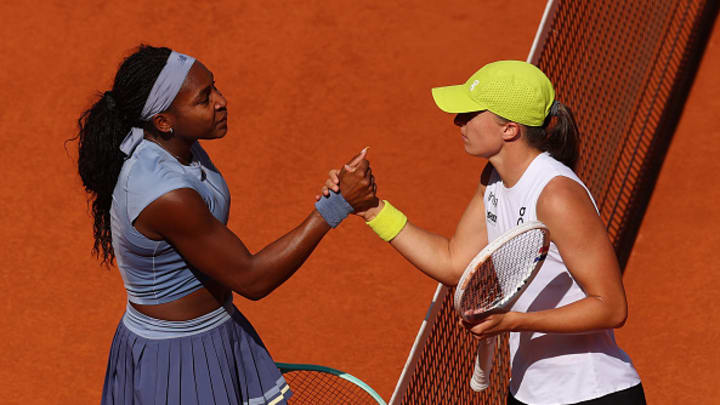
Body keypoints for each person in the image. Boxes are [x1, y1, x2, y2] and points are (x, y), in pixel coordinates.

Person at [322, 60, 646, 404]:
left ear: (509, 129)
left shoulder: (557, 195)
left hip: (592, 393)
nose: (457, 122)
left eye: (470, 114)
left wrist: (515, 320)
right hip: (528, 393)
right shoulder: (492, 181)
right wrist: (371, 209)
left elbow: (611, 307)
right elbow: (453, 262)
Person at [75, 44, 377, 405]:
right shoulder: (165, 195)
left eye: (214, 87)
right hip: (175, 358)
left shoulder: (177, 145)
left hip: (217, 332)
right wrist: (336, 206)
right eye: (204, 99)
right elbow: (251, 278)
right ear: (163, 121)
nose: (221, 100)